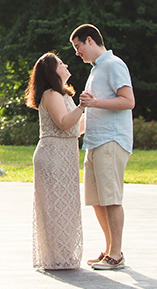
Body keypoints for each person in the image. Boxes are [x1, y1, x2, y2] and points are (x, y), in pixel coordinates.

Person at [72, 23, 134, 271]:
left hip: (112, 140)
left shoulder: (114, 64)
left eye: (78, 47)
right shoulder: (96, 70)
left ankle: (116, 254)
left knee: (111, 198)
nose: (77, 53)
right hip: (94, 142)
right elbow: (94, 107)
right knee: (97, 199)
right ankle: (109, 250)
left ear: (90, 40)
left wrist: (95, 102)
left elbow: (128, 101)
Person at [25, 51, 85, 270]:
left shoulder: (65, 95)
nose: (66, 64)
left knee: (65, 206)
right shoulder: (51, 94)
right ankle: (55, 256)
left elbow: (77, 128)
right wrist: (82, 107)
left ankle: (63, 254)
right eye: (60, 63)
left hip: (66, 155)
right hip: (53, 156)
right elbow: (63, 123)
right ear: (52, 71)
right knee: (54, 207)